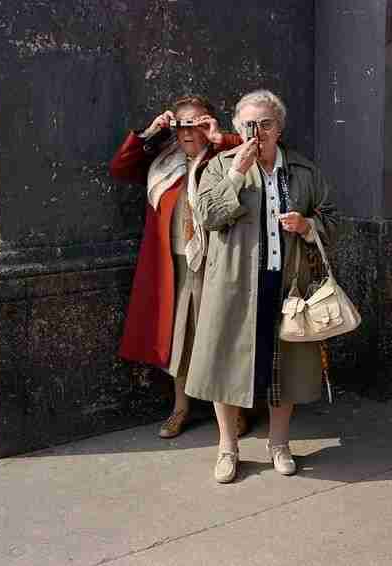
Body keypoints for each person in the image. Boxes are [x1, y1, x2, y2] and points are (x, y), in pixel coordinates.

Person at [186, 89, 338, 483]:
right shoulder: (220, 166)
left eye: (266, 123)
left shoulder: (303, 170)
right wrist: (237, 172)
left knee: (283, 367)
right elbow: (206, 216)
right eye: (250, 124)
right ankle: (227, 448)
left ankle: (279, 444)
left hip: (287, 283)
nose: (258, 131)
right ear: (238, 128)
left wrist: (308, 227)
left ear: (279, 127)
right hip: (233, 284)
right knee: (225, 365)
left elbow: (333, 219)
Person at [109, 95, 248, 438]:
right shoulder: (164, 162)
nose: (189, 131)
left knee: (221, 337)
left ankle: (235, 413)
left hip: (216, 265)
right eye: (182, 124)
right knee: (179, 339)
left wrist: (221, 138)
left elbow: (259, 155)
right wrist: (152, 132)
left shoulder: (226, 157)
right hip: (174, 267)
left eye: (198, 123)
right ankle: (180, 408)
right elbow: (120, 168)